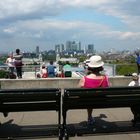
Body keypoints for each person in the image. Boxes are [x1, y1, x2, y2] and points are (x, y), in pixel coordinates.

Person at [78, 55, 109, 125]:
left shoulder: (84, 79)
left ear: (90, 67)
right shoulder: (105, 78)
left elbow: (78, 91)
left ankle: (89, 117)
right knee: (92, 98)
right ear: (101, 67)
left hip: (88, 102)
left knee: (89, 98)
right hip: (102, 102)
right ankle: (90, 117)